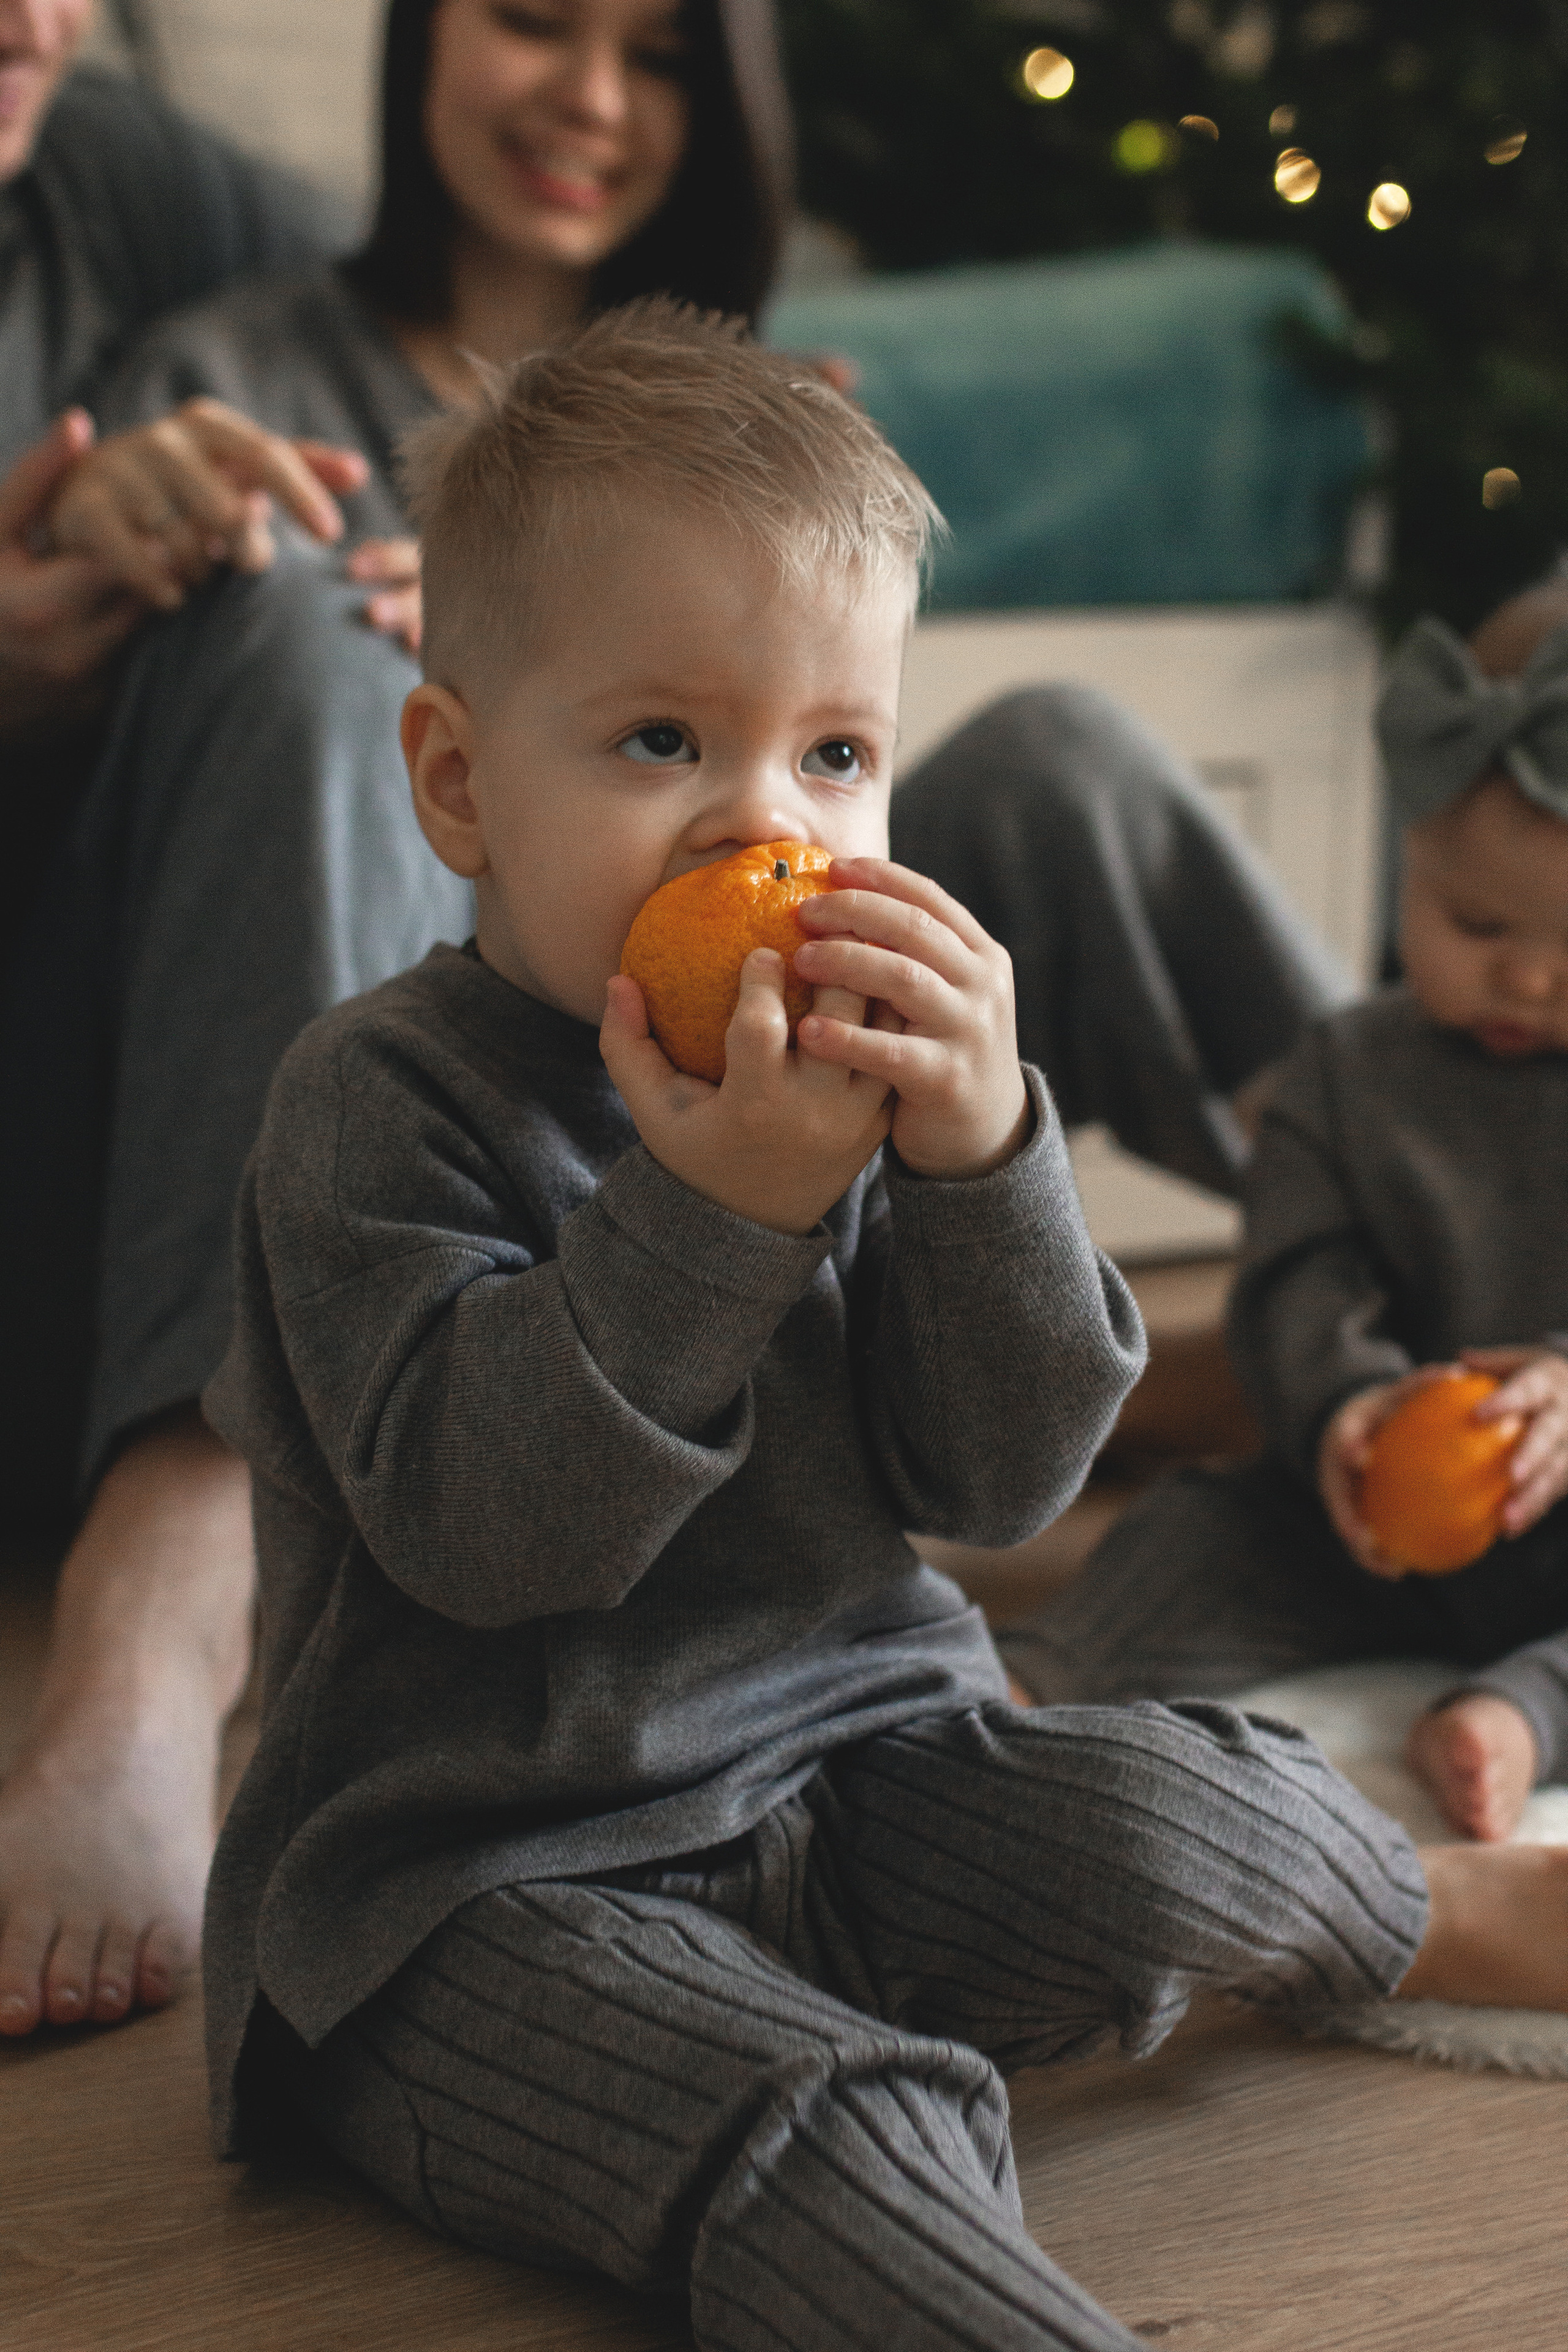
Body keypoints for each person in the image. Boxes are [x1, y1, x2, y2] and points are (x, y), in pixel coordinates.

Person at [203, 300, 1564, 2352]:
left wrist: (987, 1158)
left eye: (836, 754)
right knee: (826, 2121)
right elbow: (495, 1537)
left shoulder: (854, 1074)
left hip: (851, 1780)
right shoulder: (372, 1109)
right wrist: (717, 1214)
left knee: (1197, 1803)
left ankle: (1419, 1912)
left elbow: (1001, 1478)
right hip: (478, 1891)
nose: (772, 828)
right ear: (463, 781)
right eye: (665, 740)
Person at [0, 0, 1346, 2041]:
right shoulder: (236, 360)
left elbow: (809, 780)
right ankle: (169, 1615)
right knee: (297, 659)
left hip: (743, 1069)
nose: (590, 97)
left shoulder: (757, 398)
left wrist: (747, 693)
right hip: (468, 1024)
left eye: (661, 56)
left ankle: (1436, 1247)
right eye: (535, 21)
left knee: (1057, 761)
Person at [998, 581, 1568, 1850]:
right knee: (1193, 1536)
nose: (1523, 975)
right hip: (1362, 1503)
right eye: (1473, 923)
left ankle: (1518, 1711)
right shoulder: (1348, 1071)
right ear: (1403, 858)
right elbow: (1300, 1273)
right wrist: (1344, 1409)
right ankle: (1034, 1684)